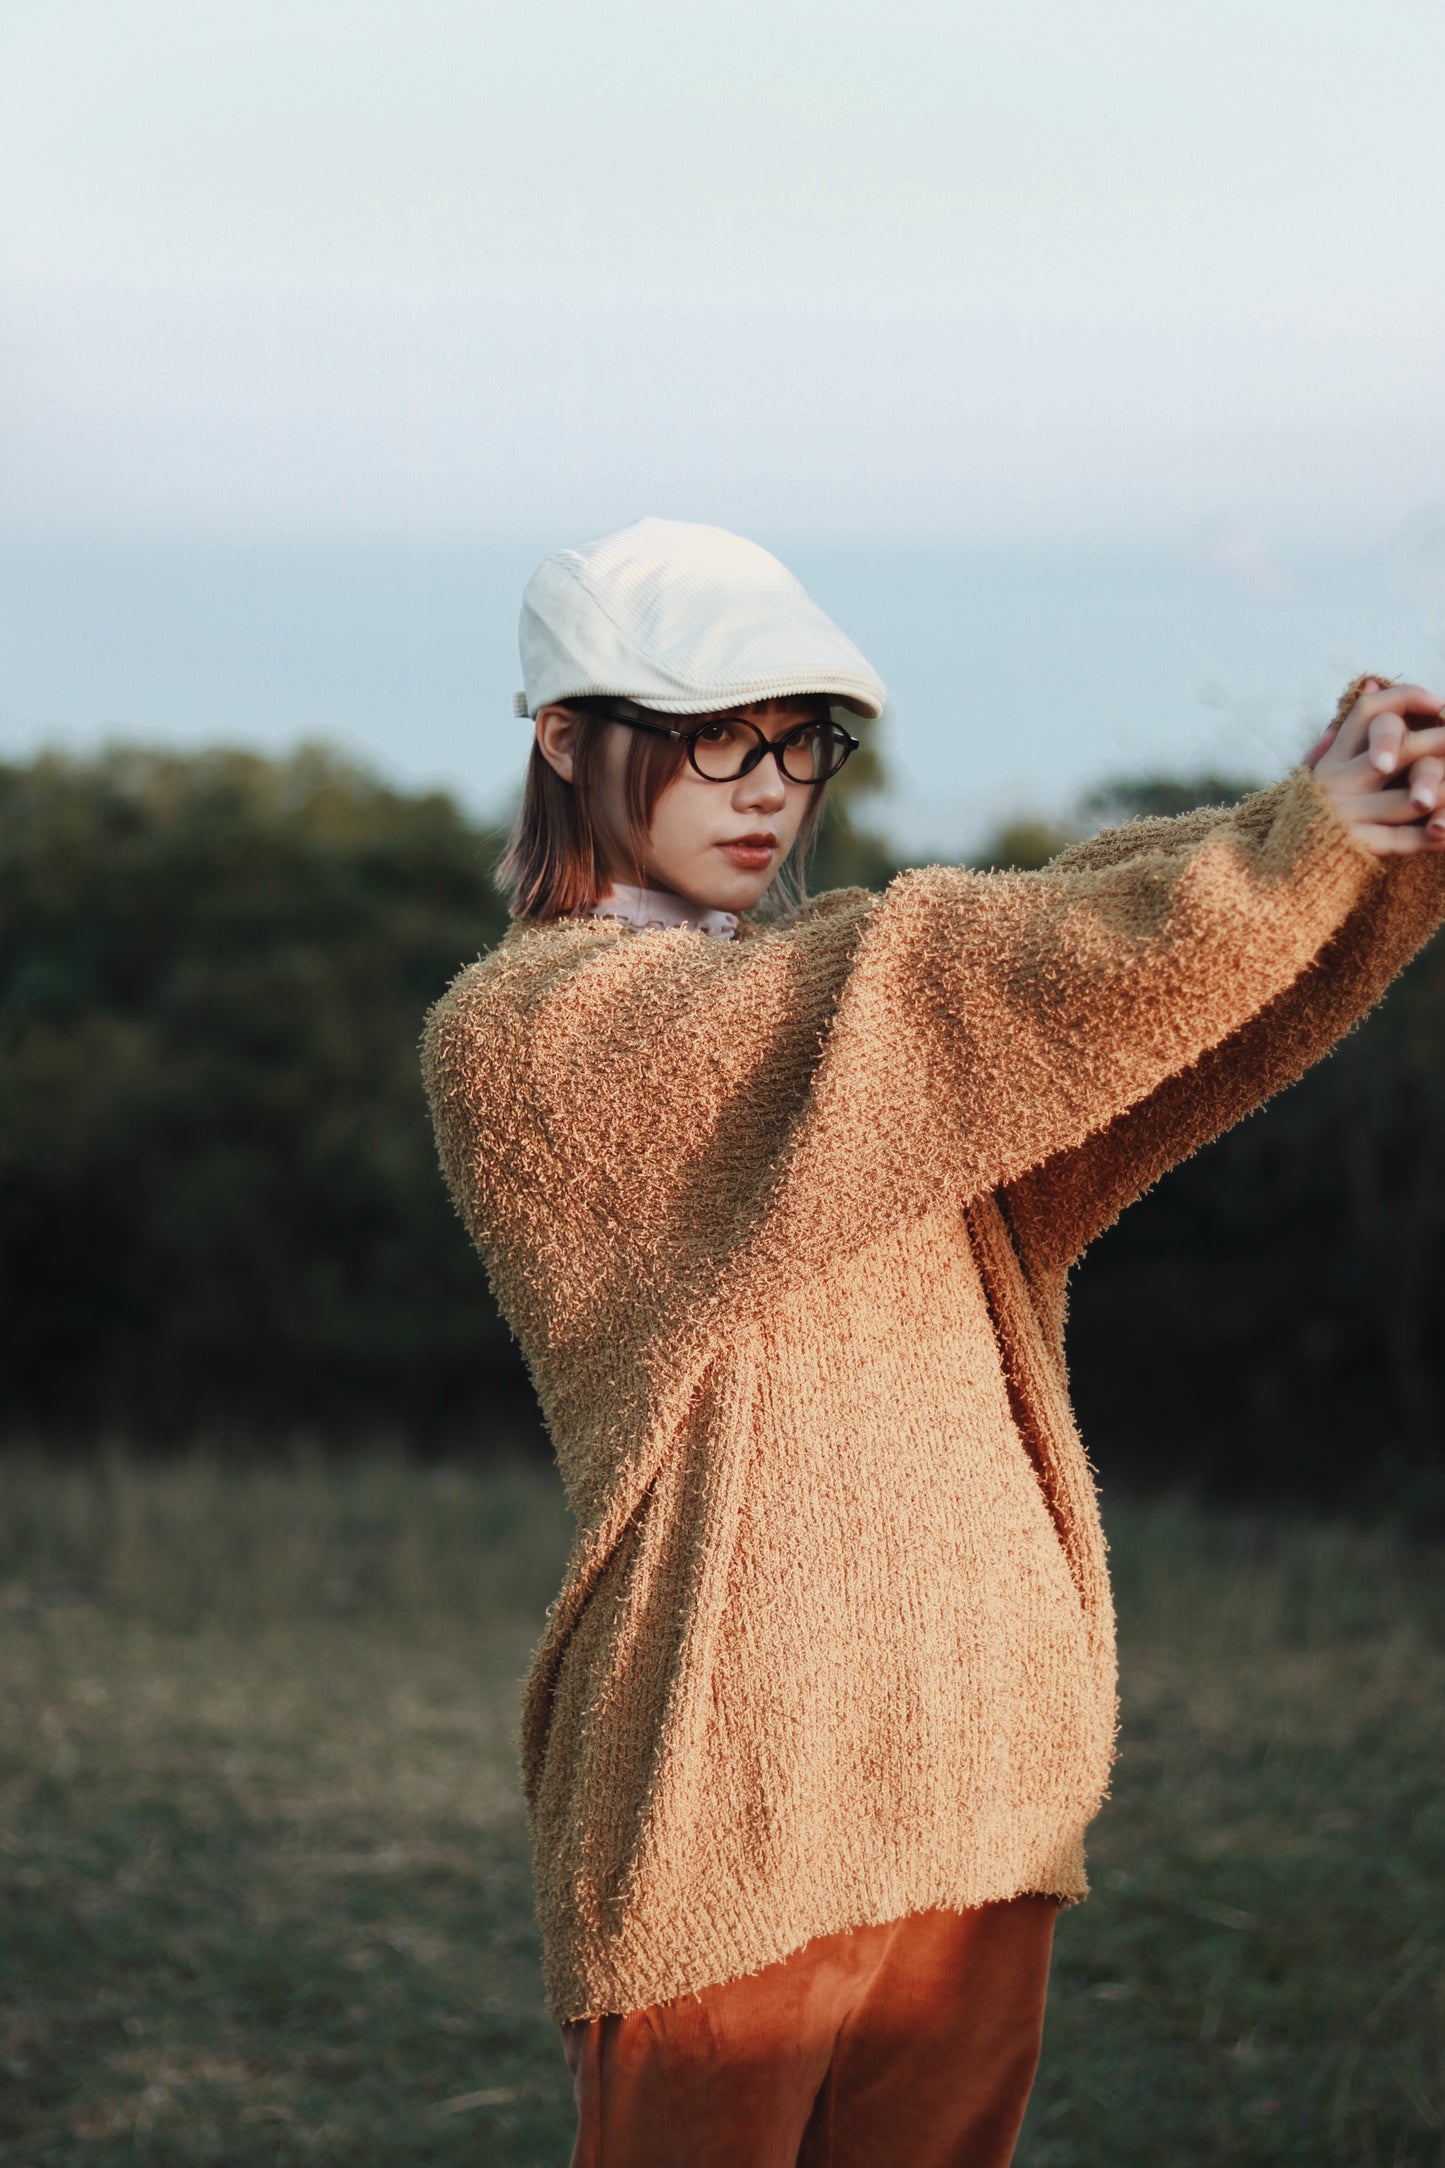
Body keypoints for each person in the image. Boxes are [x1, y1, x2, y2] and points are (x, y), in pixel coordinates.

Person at [422, 517, 1445, 2168]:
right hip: (728, 1806)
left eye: (801, 743)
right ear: (563, 738)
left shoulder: (857, 1050)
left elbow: (1104, 1032)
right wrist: (1277, 845)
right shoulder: (530, 1034)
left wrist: (1355, 850)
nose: (769, 787)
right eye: (712, 739)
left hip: (976, 1773)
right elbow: (942, 988)